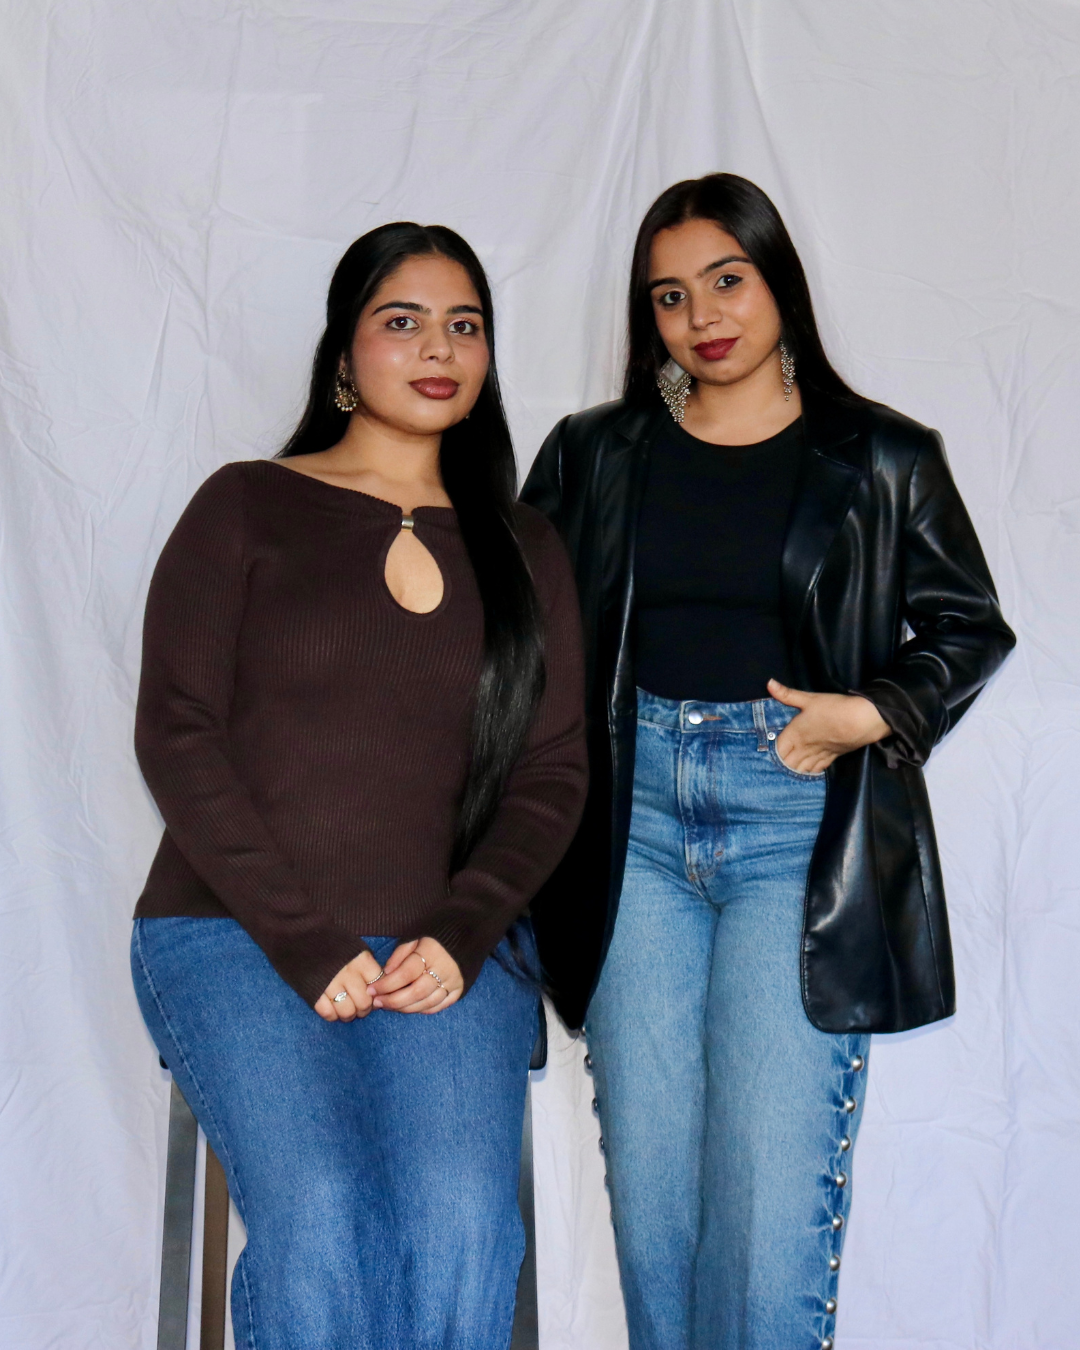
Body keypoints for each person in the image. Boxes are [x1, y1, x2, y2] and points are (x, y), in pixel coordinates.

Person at [521, 173, 1015, 1350]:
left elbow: (968, 624)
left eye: (728, 281)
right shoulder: (596, 453)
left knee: (764, 1199)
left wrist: (872, 710)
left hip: (793, 819)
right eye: (672, 296)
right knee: (654, 1205)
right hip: (628, 818)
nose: (705, 316)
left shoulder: (883, 456)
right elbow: (522, 625)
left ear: (777, 282)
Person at [130, 222, 587, 1350]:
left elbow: (551, 770)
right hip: (234, 930)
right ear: (344, 354)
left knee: (460, 1223)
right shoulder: (243, 505)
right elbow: (176, 730)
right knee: (324, 1217)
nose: (440, 346)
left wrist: (465, 928)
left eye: (465, 324)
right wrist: (300, 936)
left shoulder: (525, 546)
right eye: (403, 320)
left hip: (448, 947)